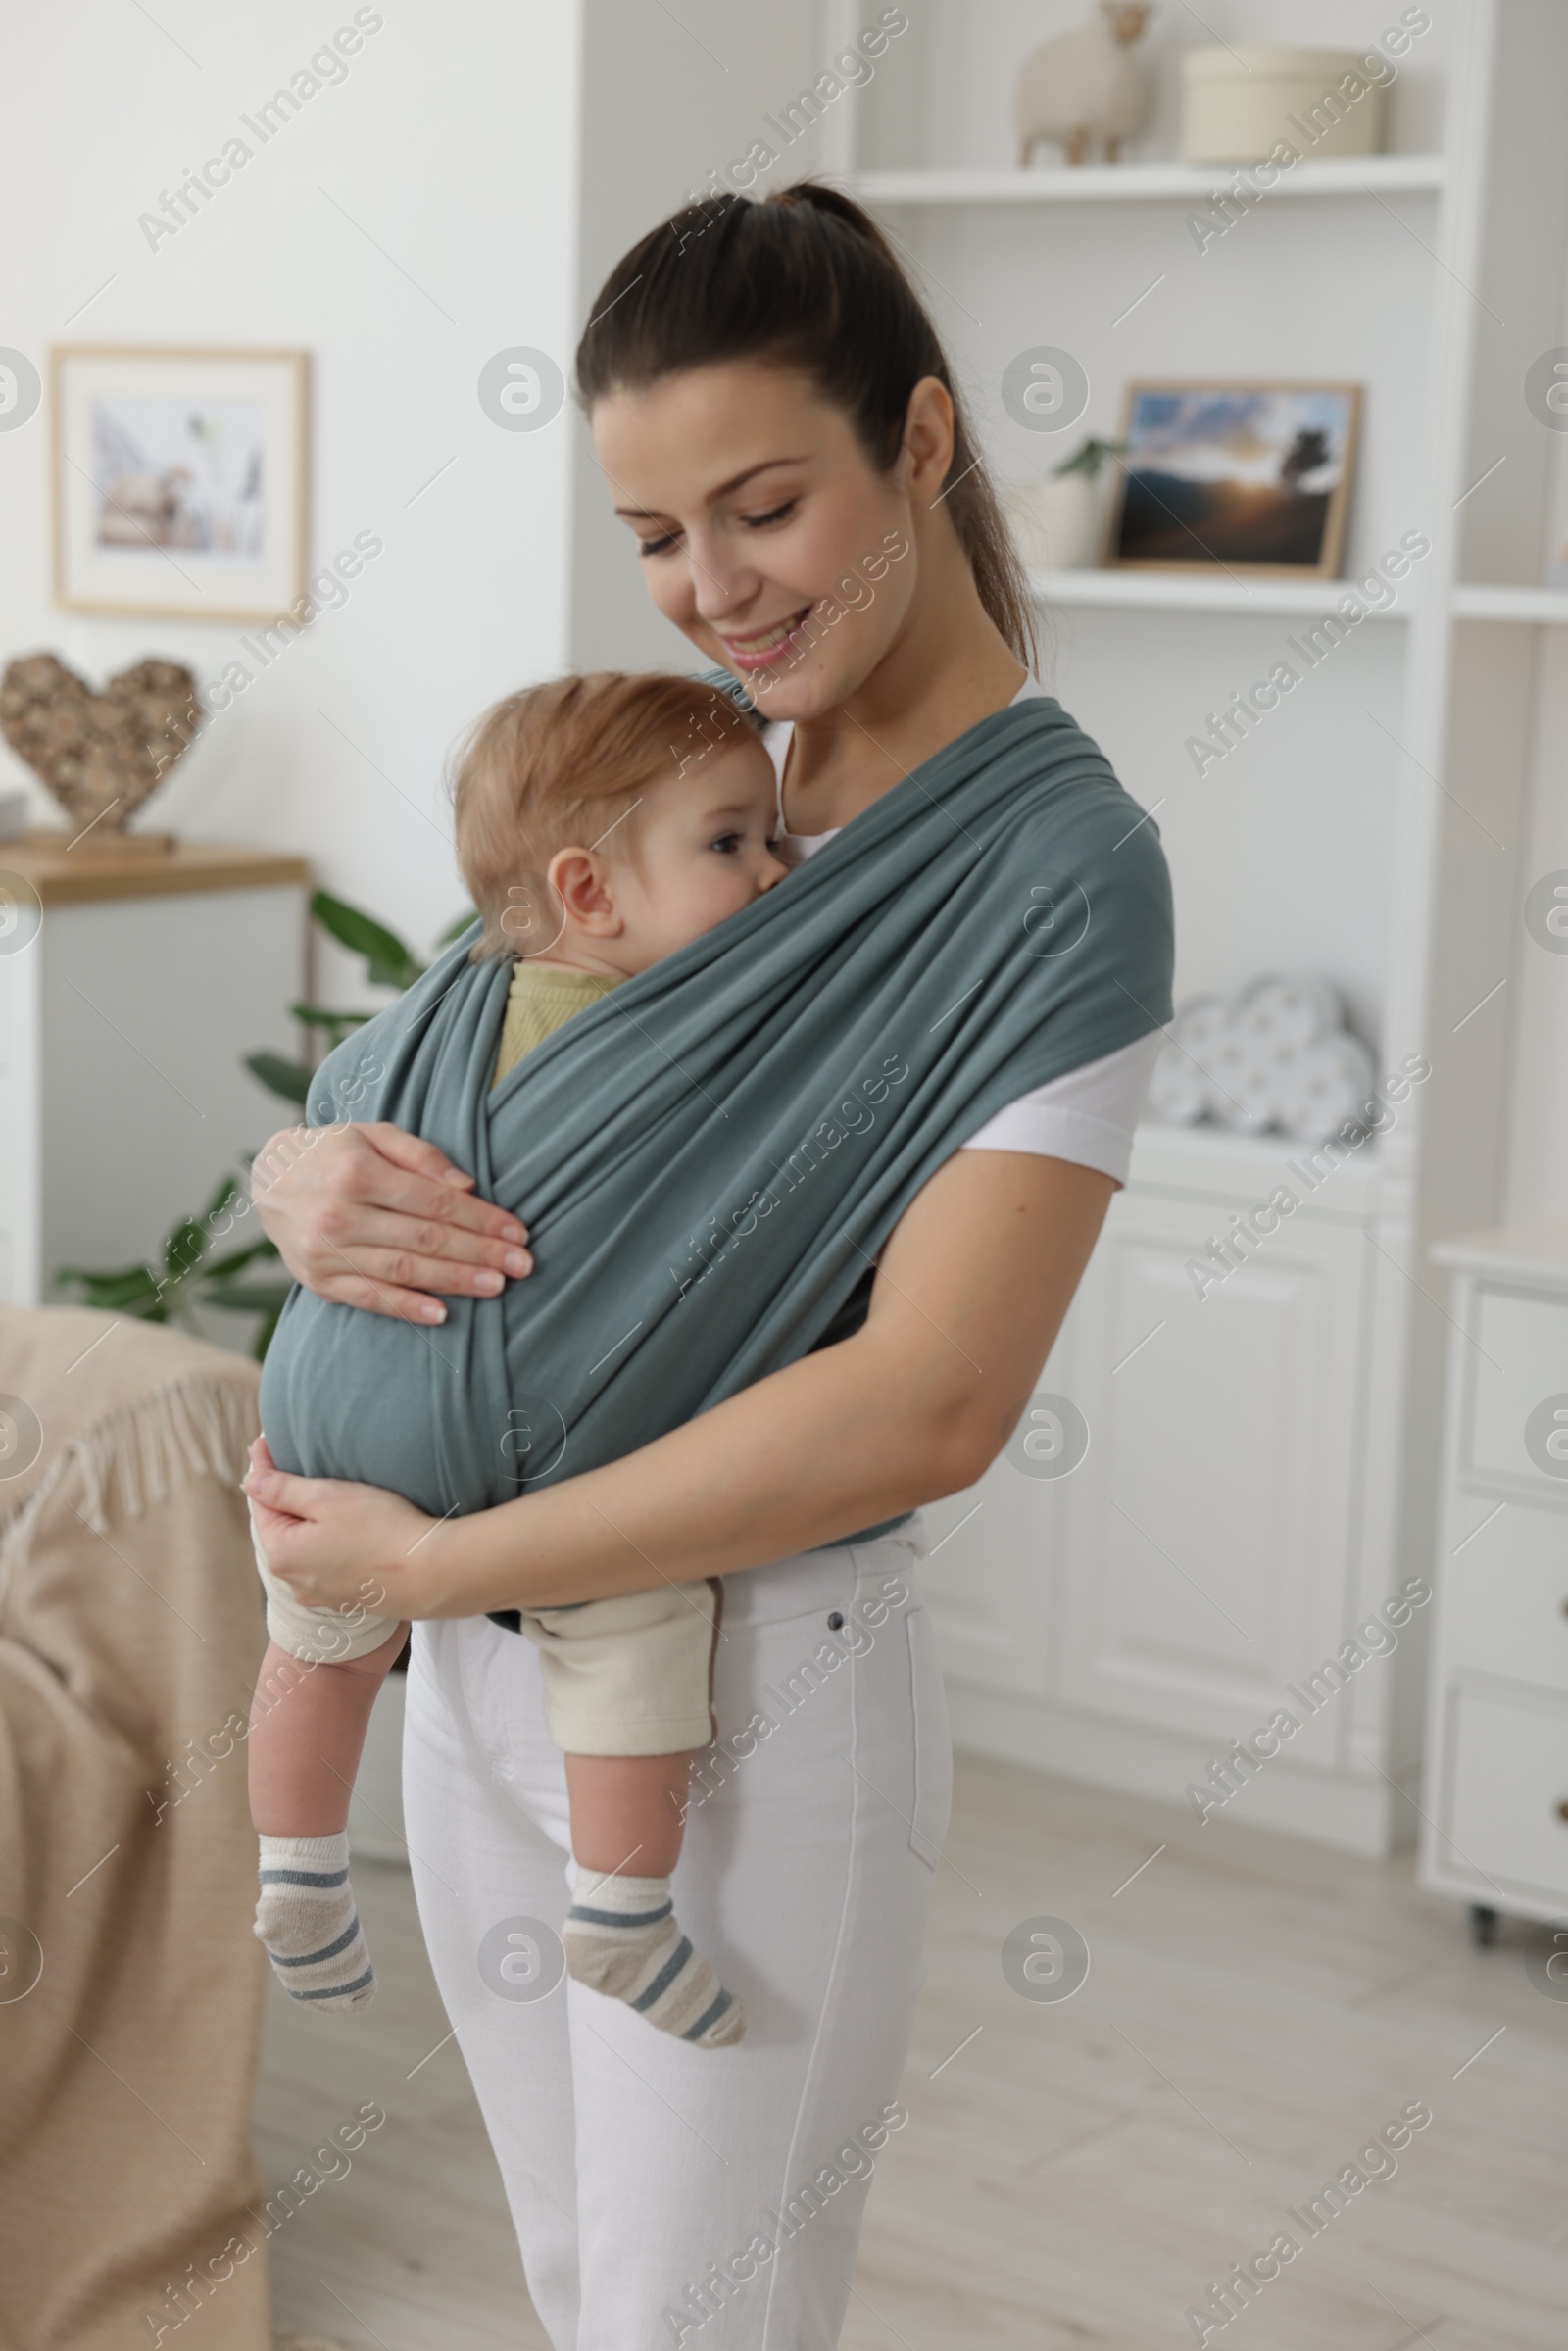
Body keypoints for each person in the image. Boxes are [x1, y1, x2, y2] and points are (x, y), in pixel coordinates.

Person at [246, 183, 1173, 2351]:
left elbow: (930, 1402)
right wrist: (300, 1170)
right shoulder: (680, 773)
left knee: (696, 2321)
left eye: (761, 507)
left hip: (736, 1689)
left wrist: (416, 1578)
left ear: (918, 444)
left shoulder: (1054, 869)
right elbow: (478, 1053)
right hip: (470, 1656)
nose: (711, 590)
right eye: (657, 535)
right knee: (583, 2290)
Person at [249, 669, 785, 2046]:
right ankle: (621, 1913)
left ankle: (298, 1868)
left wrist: (295, 1166)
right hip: (519, 1445)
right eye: (733, 842)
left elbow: (336, 1112)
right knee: (634, 1614)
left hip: (329, 1413)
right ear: (592, 897)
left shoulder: (443, 1006)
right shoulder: (696, 1030)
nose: (779, 871)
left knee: (317, 1635)